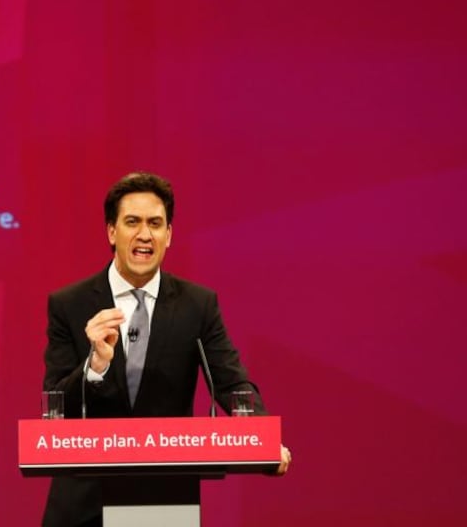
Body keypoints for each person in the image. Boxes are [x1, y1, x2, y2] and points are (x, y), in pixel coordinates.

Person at [41, 172, 291, 527]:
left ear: (169, 235)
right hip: (84, 501)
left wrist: (263, 441)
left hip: (163, 502)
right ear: (112, 231)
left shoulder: (197, 305)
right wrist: (95, 365)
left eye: (155, 224)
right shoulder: (70, 304)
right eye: (133, 222)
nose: (145, 234)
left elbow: (232, 384)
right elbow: (55, 407)